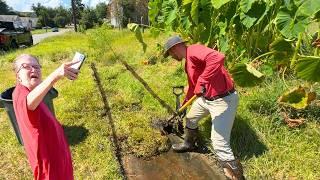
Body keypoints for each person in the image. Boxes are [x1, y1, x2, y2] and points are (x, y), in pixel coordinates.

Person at [163, 36, 244, 180]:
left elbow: (217, 57)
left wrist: (202, 80)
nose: (171, 57)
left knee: (218, 141)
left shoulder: (194, 50)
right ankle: (189, 144)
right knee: (191, 119)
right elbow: (193, 88)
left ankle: (235, 176)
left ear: (174, 49)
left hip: (223, 100)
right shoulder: (188, 63)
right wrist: (183, 106)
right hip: (206, 99)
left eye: (169, 54)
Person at [12, 54, 79, 180]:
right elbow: (28, 103)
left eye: (36, 66)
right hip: (50, 170)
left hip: (59, 161)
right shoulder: (20, 94)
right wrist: (55, 76)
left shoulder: (32, 91)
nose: (33, 69)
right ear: (18, 76)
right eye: (26, 66)